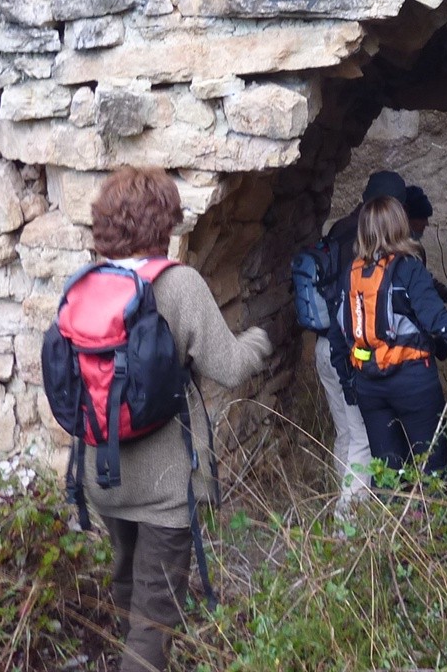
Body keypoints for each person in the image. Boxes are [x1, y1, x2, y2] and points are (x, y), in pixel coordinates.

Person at [84, 166, 272, 672]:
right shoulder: (178, 283)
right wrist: (260, 337)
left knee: (128, 586)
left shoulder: (88, 284)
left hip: (102, 475)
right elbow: (229, 367)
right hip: (163, 489)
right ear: (163, 223)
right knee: (155, 617)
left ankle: (123, 654)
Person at [331, 195, 447, 474]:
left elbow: (338, 337)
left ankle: (391, 503)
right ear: (399, 225)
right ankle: (430, 502)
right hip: (413, 382)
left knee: (387, 470)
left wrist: (349, 384)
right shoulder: (409, 269)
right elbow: (436, 321)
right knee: (432, 464)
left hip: (369, 385)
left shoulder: (350, 274)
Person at [314, 170, 405, 512]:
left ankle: (342, 502)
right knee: (363, 438)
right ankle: (351, 515)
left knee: (347, 433)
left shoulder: (339, 229)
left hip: (325, 346)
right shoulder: (369, 242)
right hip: (353, 351)